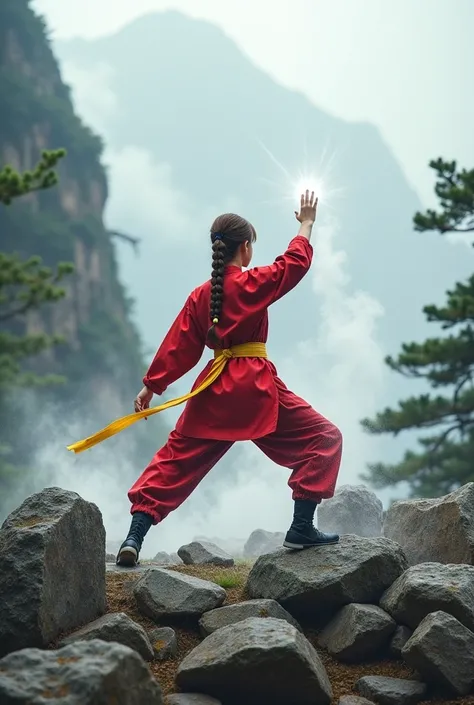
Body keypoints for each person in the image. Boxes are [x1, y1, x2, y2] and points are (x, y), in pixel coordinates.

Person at [116, 190, 343, 567]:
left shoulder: (201, 295)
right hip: (256, 389)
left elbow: (179, 346)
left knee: (173, 463)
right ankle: (301, 527)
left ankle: (134, 538)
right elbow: (294, 264)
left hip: (213, 392)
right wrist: (306, 223)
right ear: (247, 248)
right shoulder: (254, 283)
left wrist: (150, 387)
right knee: (324, 437)